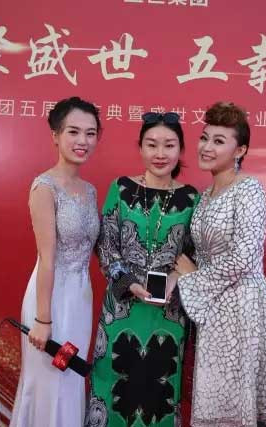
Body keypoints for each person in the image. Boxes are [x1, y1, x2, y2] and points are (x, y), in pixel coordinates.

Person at [173, 102, 266, 427]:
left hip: (240, 308)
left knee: (235, 401)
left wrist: (194, 276)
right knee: (213, 397)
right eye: (205, 138)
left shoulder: (249, 189)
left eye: (219, 141)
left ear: (240, 150)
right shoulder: (205, 195)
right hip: (212, 309)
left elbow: (245, 256)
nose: (207, 147)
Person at [86, 112, 199, 427]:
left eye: (169, 145)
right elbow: (106, 245)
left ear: (181, 150)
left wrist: (176, 278)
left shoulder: (191, 198)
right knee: (113, 388)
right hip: (121, 309)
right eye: (152, 144)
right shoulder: (121, 189)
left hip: (168, 312)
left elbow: (195, 253)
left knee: (160, 393)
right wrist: (126, 283)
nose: (160, 153)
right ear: (140, 147)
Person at [10, 96, 101, 427]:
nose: (82, 141)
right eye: (73, 132)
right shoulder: (44, 187)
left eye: (90, 133)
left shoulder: (89, 190)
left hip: (80, 299)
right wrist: (43, 318)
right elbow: (47, 258)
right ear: (55, 135)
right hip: (49, 299)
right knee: (47, 384)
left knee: (70, 381)